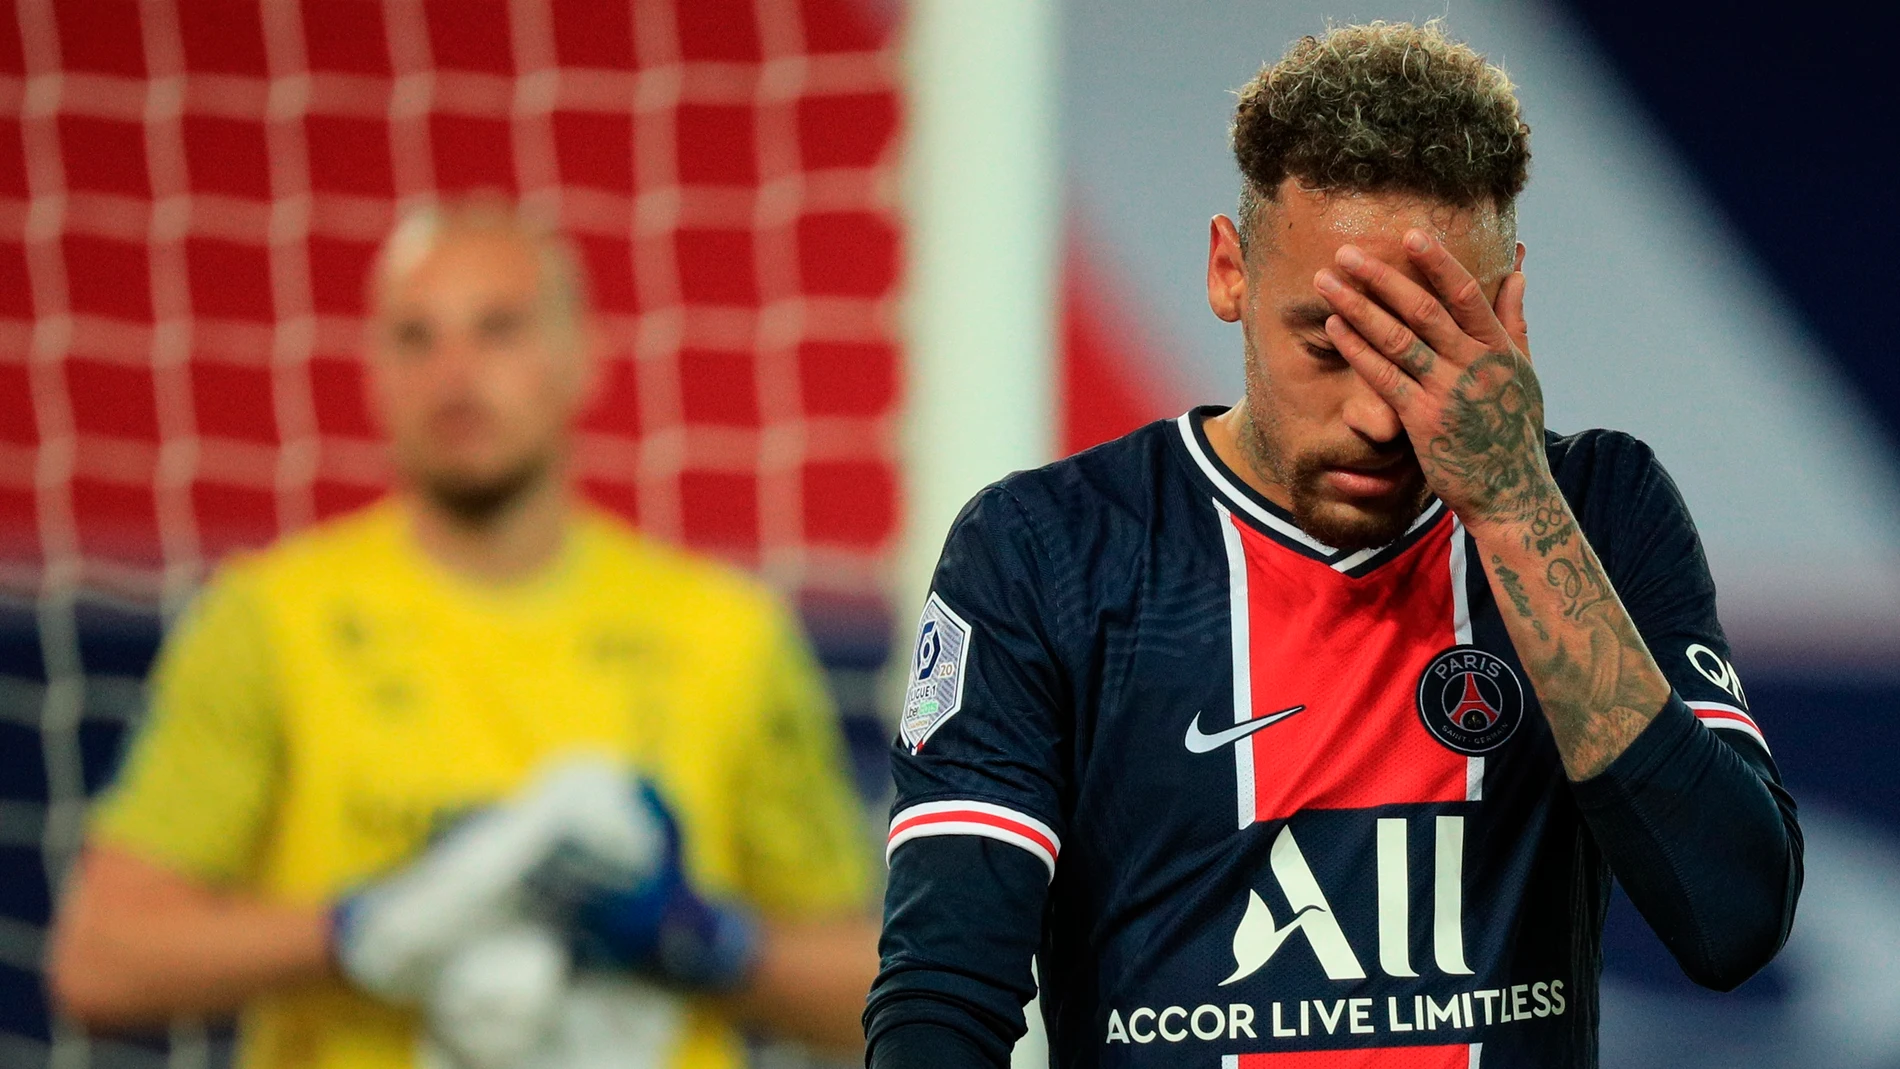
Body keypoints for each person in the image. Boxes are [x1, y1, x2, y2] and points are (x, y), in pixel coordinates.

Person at [864, 21, 1802, 1069]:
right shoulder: (1042, 550)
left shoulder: (1593, 509)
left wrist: (1508, 506)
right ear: (1228, 271)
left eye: (1421, 350)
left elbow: (1732, 921)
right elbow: (943, 999)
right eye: (1326, 340)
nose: (1375, 412)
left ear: (1506, 307)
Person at [46, 200, 879, 1069]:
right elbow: (101, 961)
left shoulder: (728, 633)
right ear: (372, 375)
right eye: (416, 337)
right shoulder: (268, 617)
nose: (454, 373)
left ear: (581, 359)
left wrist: (707, 940)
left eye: (498, 329)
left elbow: (875, 995)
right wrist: (362, 926)